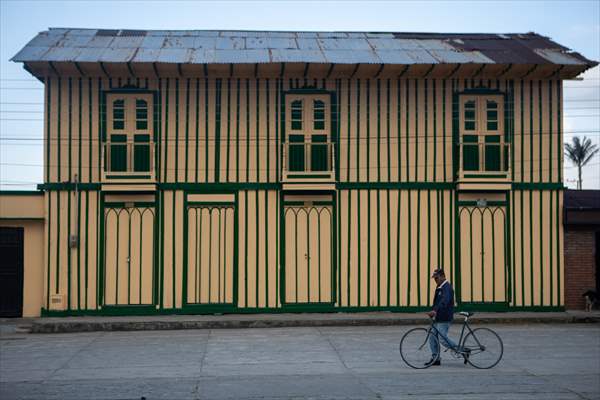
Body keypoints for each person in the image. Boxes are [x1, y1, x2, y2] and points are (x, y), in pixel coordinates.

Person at [426, 268, 458, 366]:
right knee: (432, 336)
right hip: (438, 317)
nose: (436, 280)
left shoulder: (446, 287)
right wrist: (433, 311)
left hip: (444, 317)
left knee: (442, 338)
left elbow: (444, 301)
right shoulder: (440, 287)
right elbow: (437, 302)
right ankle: (436, 358)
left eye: (437, 278)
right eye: (434, 278)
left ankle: (460, 349)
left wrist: (435, 311)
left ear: (443, 276)